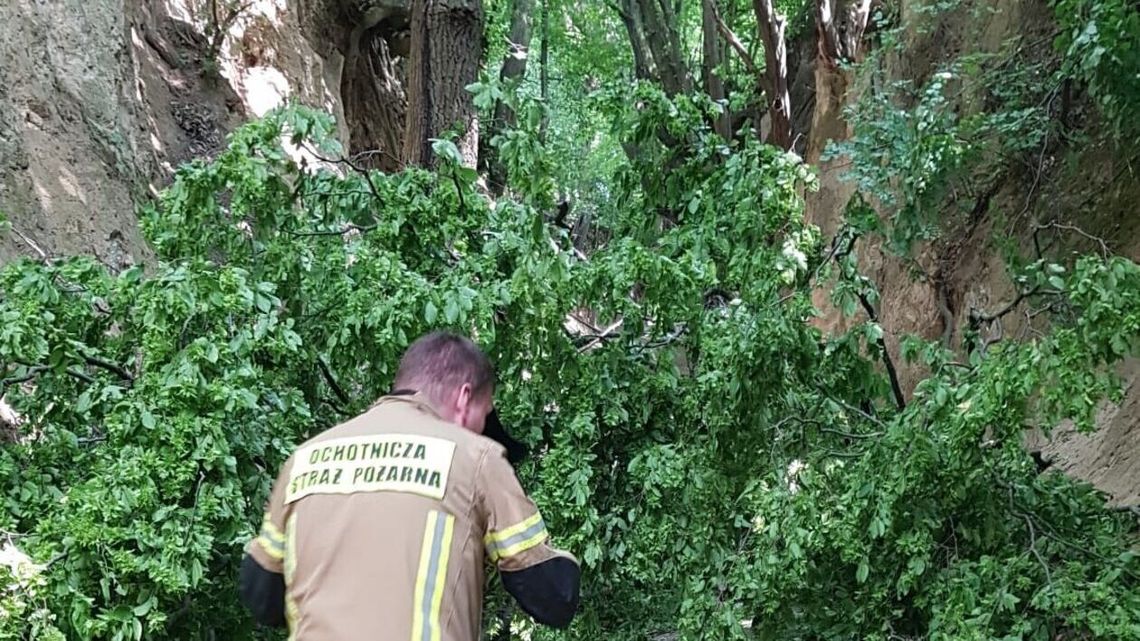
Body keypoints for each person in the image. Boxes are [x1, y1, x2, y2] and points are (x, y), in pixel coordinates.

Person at [238, 330, 581, 640]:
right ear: (464, 397)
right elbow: (551, 595)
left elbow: (261, 596)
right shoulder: (475, 457)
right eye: (484, 412)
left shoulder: (305, 458)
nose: (480, 427)